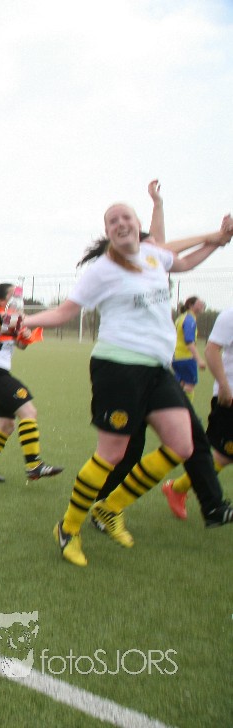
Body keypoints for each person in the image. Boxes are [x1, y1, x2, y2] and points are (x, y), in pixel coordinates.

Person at [22, 202, 231, 567]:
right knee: (112, 454)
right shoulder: (102, 270)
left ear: (137, 224)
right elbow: (65, 312)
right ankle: (68, 528)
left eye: (126, 218)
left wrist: (218, 241)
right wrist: (25, 321)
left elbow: (184, 263)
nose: (120, 223)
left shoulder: (153, 255)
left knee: (182, 445)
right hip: (118, 367)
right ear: (108, 232)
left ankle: (110, 507)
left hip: (157, 369)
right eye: (112, 221)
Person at [0, 277, 63, 483]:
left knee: (6, 425)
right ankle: (34, 465)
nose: (18, 299)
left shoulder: (13, 321)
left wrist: (24, 334)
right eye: (12, 295)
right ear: (2, 300)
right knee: (29, 412)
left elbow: (22, 346)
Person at [157, 305, 233, 526]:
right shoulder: (229, 315)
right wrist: (224, 386)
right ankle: (177, 488)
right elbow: (211, 350)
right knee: (225, 455)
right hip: (229, 395)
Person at [172, 296, 207, 401]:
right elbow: (189, 342)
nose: (202, 305)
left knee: (181, 385)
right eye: (199, 303)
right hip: (186, 358)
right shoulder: (189, 320)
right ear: (191, 305)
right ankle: (187, 410)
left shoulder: (181, 318)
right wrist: (199, 359)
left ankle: (175, 408)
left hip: (176, 357)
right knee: (189, 387)